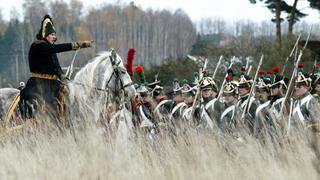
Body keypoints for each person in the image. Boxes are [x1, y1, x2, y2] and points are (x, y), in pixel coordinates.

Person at [20, 14, 92, 124]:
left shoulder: (50, 49)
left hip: (53, 83)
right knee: (52, 105)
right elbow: (58, 48)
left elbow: (56, 66)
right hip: (39, 84)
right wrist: (78, 45)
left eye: (55, 34)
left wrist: (63, 77)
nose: (55, 37)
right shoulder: (38, 46)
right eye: (52, 34)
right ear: (45, 35)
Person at [291, 65, 320, 132]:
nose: (296, 88)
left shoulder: (311, 101)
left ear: (306, 87)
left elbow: (315, 126)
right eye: (296, 85)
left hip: (305, 139)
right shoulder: (296, 102)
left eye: (299, 86)